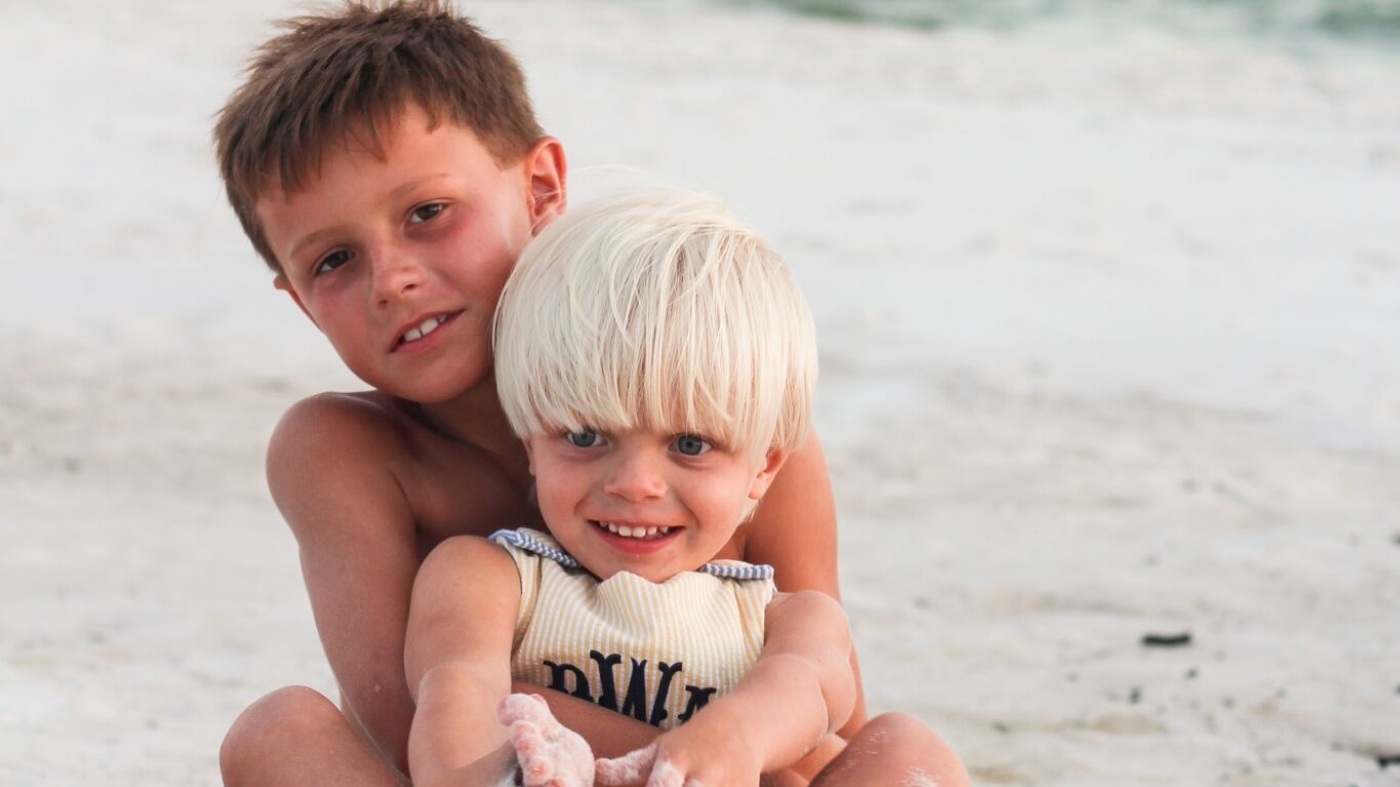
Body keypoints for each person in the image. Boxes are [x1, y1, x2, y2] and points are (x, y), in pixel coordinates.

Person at [210, 2, 966, 785]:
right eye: (333, 260)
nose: (392, 279)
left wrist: (720, 749)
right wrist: (636, 755)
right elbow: (409, 718)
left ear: (540, 188)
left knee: (910, 753)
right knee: (278, 732)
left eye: (428, 213)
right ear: (299, 299)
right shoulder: (347, 450)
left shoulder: (736, 415)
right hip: (495, 774)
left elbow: (828, 710)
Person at [404, 183, 967, 787]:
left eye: (690, 445)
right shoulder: (491, 577)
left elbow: (816, 682)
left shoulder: (784, 620)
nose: (635, 484)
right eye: (587, 436)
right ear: (530, 445)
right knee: (289, 720)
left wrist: (737, 735)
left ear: (765, 470)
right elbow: (455, 687)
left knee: (907, 745)